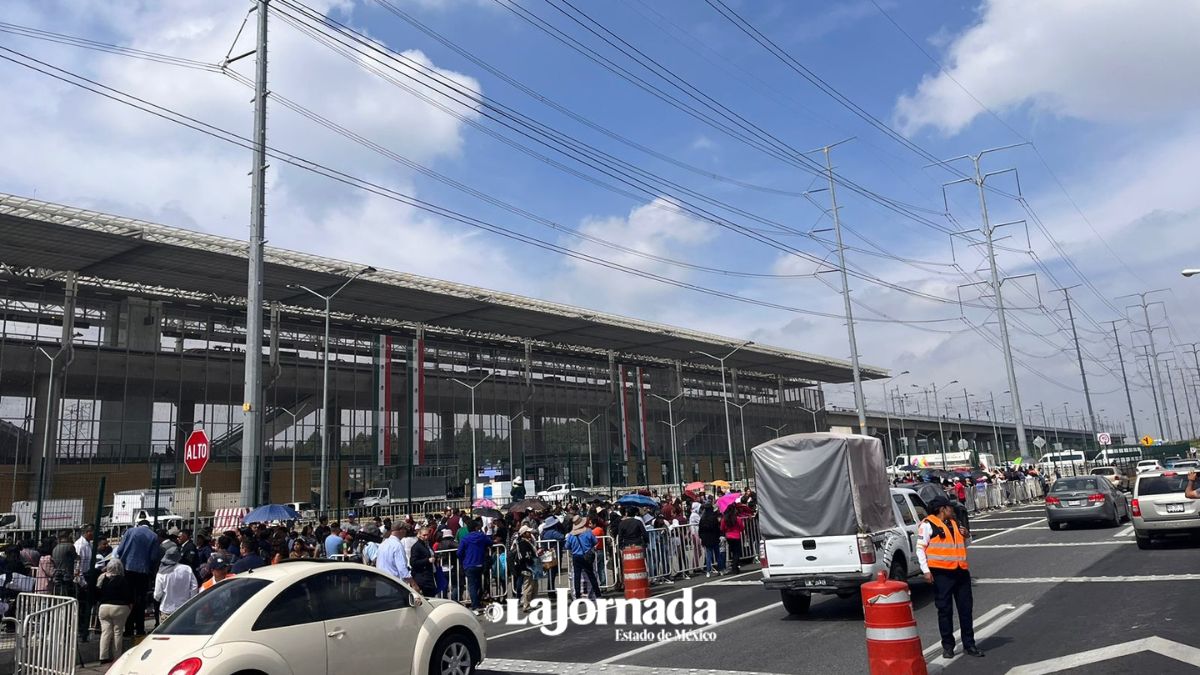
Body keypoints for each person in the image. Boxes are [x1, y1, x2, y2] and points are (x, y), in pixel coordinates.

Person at [917, 495, 984, 659]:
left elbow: (965, 545)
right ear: (942, 509)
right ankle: (948, 646)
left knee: (966, 610)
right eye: (949, 507)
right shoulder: (927, 525)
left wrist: (967, 536)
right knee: (945, 610)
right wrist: (925, 570)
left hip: (960, 571)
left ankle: (970, 645)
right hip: (941, 574)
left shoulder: (956, 524)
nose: (952, 510)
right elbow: (920, 549)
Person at [115, 520, 158, 636]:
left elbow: (119, 550)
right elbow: (154, 557)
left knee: (128, 600)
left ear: (138, 524)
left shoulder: (130, 531)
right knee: (141, 601)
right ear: (149, 527)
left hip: (127, 569)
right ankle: (140, 629)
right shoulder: (153, 536)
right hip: (143, 572)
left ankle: (128, 629)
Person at [95, 559, 133, 665]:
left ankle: (103, 656)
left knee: (105, 632)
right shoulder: (123, 579)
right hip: (119, 608)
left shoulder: (102, 578)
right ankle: (117, 656)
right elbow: (128, 595)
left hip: (104, 607)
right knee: (118, 632)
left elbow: (97, 592)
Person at [152, 547, 197, 621]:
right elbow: (194, 587)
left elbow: (157, 594)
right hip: (185, 609)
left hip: (167, 610)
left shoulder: (161, 573)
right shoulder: (187, 569)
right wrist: (190, 601)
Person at [458, 519, 491, 613]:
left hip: (469, 564)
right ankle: (478, 602)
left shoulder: (465, 538)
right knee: (478, 583)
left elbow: (459, 552)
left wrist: (463, 559)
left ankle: (475, 605)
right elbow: (490, 542)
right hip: (480, 563)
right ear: (476, 528)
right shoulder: (481, 536)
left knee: (472, 585)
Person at [566, 516, 601, 600]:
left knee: (576, 576)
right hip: (586, 555)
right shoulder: (588, 532)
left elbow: (567, 546)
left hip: (576, 556)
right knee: (591, 575)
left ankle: (577, 595)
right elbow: (595, 541)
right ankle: (597, 593)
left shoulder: (571, 535)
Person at [377, 523, 415, 588]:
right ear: (401, 530)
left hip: (381, 582)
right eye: (405, 529)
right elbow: (402, 570)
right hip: (393, 585)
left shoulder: (383, 543)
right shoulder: (397, 545)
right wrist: (414, 585)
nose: (406, 531)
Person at [510, 525, 538, 613]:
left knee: (534, 586)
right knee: (528, 587)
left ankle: (531, 603)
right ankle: (526, 605)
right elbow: (525, 556)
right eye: (528, 532)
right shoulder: (522, 543)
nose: (530, 533)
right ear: (524, 534)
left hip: (530, 567)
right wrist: (531, 561)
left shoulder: (527, 541)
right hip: (527, 567)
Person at [409, 527, 438, 597]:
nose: (426, 537)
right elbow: (413, 562)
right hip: (422, 577)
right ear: (419, 535)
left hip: (429, 575)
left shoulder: (427, 544)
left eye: (427, 535)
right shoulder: (416, 547)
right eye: (424, 535)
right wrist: (427, 560)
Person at [697, 504, 722, 577]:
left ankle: (708, 571)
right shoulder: (714, 517)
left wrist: (702, 538)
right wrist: (718, 536)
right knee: (717, 554)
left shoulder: (703, 518)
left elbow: (700, 530)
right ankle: (720, 570)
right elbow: (717, 528)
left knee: (708, 555)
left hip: (706, 539)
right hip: (714, 538)